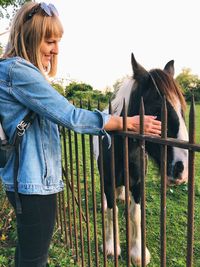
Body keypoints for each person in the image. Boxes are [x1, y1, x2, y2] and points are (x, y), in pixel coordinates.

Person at [0, 2, 161, 267]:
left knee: (28, 254)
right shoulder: (18, 72)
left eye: (58, 41)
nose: (56, 49)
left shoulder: (15, 71)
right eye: (49, 41)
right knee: (34, 259)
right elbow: (71, 116)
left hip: (28, 182)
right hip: (32, 186)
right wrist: (125, 123)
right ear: (29, 37)